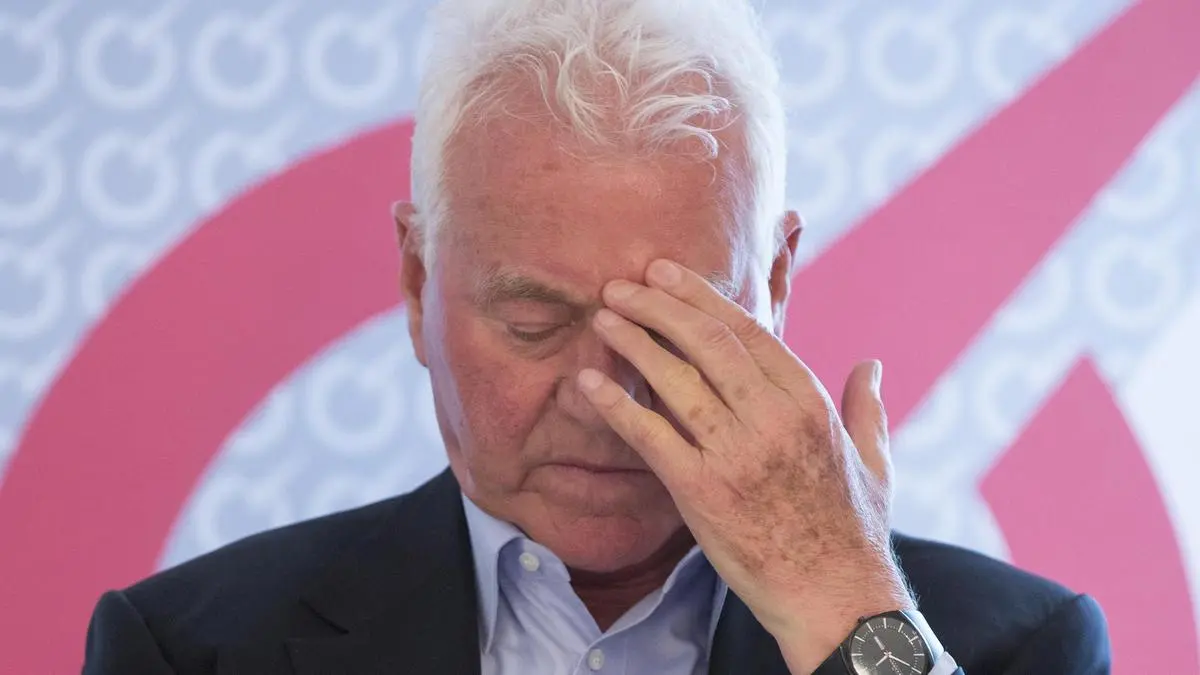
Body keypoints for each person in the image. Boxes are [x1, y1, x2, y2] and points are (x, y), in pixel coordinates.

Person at [83, 0, 1111, 673]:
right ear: (417, 280)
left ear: (774, 286)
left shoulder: (1018, 647)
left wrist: (846, 610)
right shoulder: (190, 651)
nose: (603, 396)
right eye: (534, 322)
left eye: (668, 325)